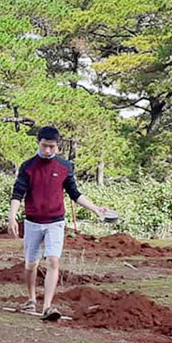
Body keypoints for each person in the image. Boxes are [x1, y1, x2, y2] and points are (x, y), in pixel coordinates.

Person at [8, 126, 113, 321]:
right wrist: (12, 216)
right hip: (32, 222)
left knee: (53, 260)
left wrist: (95, 208)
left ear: (58, 146)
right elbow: (17, 194)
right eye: (44, 145)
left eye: (52, 147)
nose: (47, 150)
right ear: (38, 143)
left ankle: (47, 306)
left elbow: (75, 193)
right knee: (31, 264)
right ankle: (31, 299)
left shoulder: (64, 167)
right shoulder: (28, 166)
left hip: (56, 222)